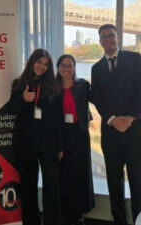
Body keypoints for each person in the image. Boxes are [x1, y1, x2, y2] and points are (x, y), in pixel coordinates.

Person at [91, 24, 141, 225]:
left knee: (137, 182)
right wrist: (112, 120)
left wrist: (130, 118)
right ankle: (118, 221)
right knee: (113, 182)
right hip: (111, 133)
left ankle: (139, 221)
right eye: (104, 37)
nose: (108, 39)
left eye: (111, 36)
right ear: (100, 41)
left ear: (118, 38)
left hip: (136, 131)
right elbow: (97, 99)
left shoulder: (135, 59)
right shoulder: (96, 68)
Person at [9, 49, 63, 225]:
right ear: (32, 62)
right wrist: (23, 100)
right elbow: (12, 110)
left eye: (46, 64)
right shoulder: (18, 84)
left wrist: (60, 146)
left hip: (48, 144)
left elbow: (58, 119)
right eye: (39, 62)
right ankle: (30, 221)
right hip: (26, 144)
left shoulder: (53, 86)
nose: (42, 66)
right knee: (28, 187)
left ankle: (51, 221)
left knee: (52, 186)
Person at [56, 54, 94, 225]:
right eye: (63, 65)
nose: (66, 68)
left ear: (74, 67)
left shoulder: (83, 85)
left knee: (80, 172)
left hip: (79, 134)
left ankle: (79, 212)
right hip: (60, 133)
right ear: (58, 67)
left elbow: (100, 99)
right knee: (63, 173)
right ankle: (65, 212)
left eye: (70, 65)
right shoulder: (53, 87)